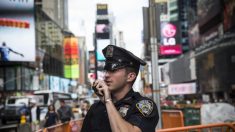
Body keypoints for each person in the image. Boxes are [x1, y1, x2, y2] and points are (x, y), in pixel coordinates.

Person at [81, 45, 159, 132]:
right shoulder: (96, 108)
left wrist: (108, 101)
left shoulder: (144, 105)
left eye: (113, 70)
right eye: (106, 70)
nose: (106, 75)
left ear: (130, 77)